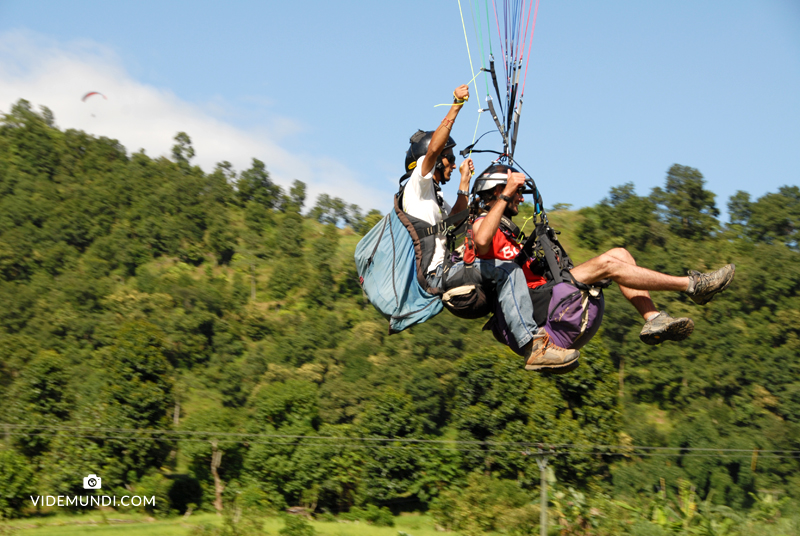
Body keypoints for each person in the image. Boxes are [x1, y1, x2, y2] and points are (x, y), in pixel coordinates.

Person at [471, 164, 735, 368]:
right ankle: (692, 286)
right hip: (538, 311)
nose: (521, 199)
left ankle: (653, 318)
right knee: (608, 263)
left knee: (620, 253)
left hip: (547, 297)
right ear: (497, 191)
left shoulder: (506, 234)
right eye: (517, 193)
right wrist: (507, 192)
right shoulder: (481, 224)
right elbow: (481, 241)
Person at [400, 85, 579, 372]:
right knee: (506, 269)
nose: (453, 161)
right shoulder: (416, 185)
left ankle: (527, 324)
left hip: (449, 270)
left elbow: (457, 222)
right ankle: (533, 344)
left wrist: (464, 183)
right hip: (439, 276)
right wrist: (457, 104)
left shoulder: (433, 197)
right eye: (449, 156)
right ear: (431, 160)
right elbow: (433, 148)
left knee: (506, 265)